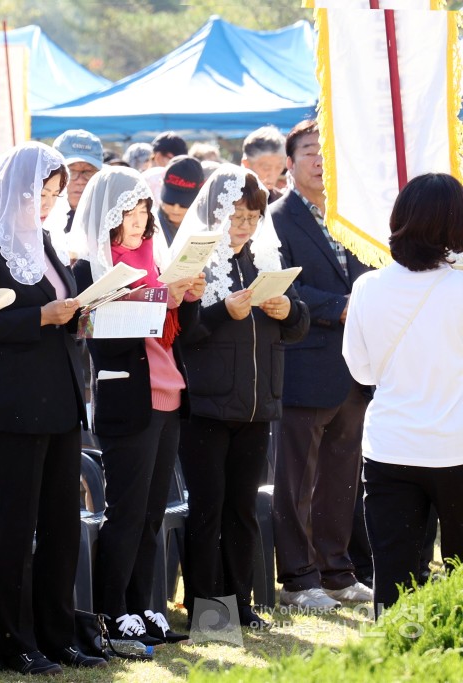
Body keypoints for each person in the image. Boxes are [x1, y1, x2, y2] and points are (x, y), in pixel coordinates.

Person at [0, 142, 106, 674]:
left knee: (63, 523)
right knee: (18, 526)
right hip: (14, 400)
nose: (47, 202)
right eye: (41, 191)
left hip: (62, 398)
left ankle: (56, 632)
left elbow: (61, 311)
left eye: (56, 193)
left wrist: (80, 313)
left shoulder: (43, 239)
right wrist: (42, 317)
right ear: (15, 186)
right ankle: (14, 640)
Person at [171, 164, 309, 629]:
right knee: (208, 509)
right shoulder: (196, 263)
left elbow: (297, 326)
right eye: (237, 217)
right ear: (215, 213)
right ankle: (209, 611)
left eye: (253, 218)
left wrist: (289, 308)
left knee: (243, 509)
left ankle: (241, 603)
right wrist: (222, 311)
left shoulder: (263, 259)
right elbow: (181, 335)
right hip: (206, 406)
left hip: (256, 406)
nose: (245, 227)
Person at [70, 166, 203, 644]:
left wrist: (186, 298)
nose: (140, 216)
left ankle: (143, 605)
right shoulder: (92, 266)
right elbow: (99, 342)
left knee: (152, 510)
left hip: (169, 392)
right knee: (125, 510)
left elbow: (181, 332)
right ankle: (112, 610)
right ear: (108, 214)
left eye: (144, 207)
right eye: (129, 208)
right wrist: (153, 301)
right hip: (127, 395)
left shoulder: (155, 259)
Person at [342, 173, 463, 614]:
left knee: (393, 577)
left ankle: (396, 665)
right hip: (455, 447)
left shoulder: (367, 287)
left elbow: (361, 369)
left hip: (390, 446)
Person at [270, 120, 374, 611]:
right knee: (296, 478)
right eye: (311, 151)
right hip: (303, 362)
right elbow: (282, 287)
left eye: (328, 152)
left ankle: (337, 570)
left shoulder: (351, 219)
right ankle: (298, 578)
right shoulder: (277, 218)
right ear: (289, 162)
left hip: (352, 367)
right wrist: (340, 306)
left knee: (341, 475)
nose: (320, 161)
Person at [52, 129, 104, 233]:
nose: (80, 181)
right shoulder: (40, 216)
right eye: (71, 171)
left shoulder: (109, 217)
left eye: (88, 171)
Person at [156, 155, 204, 246]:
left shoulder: (207, 228)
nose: (176, 209)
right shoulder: (148, 227)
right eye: (170, 201)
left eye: (184, 204)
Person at [241, 126, 287, 203]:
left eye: (279, 167)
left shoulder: (283, 202)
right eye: (266, 168)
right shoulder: (230, 200)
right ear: (246, 164)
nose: (273, 175)